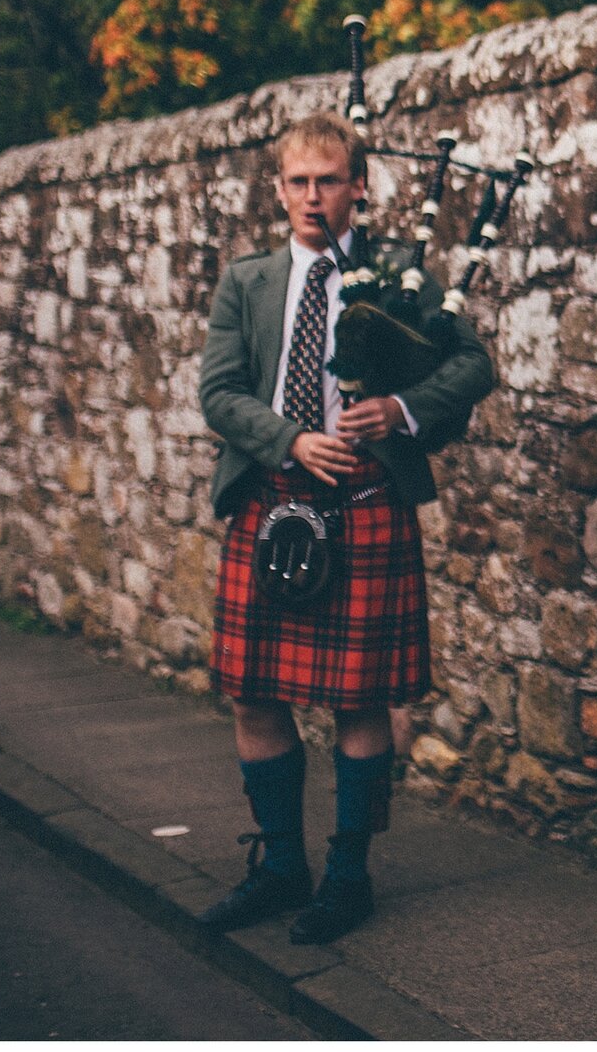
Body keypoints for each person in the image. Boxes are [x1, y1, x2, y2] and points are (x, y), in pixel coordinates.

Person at [195, 114, 497, 943]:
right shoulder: (247, 282)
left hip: (365, 500)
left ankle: (349, 877)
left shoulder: (398, 273)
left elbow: (475, 365)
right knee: (253, 692)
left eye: (327, 180)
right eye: (297, 181)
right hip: (271, 499)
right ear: (279, 189)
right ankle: (282, 867)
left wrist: (399, 409)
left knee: (358, 697)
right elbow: (218, 393)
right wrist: (289, 437)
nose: (311, 196)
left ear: (358, 186)